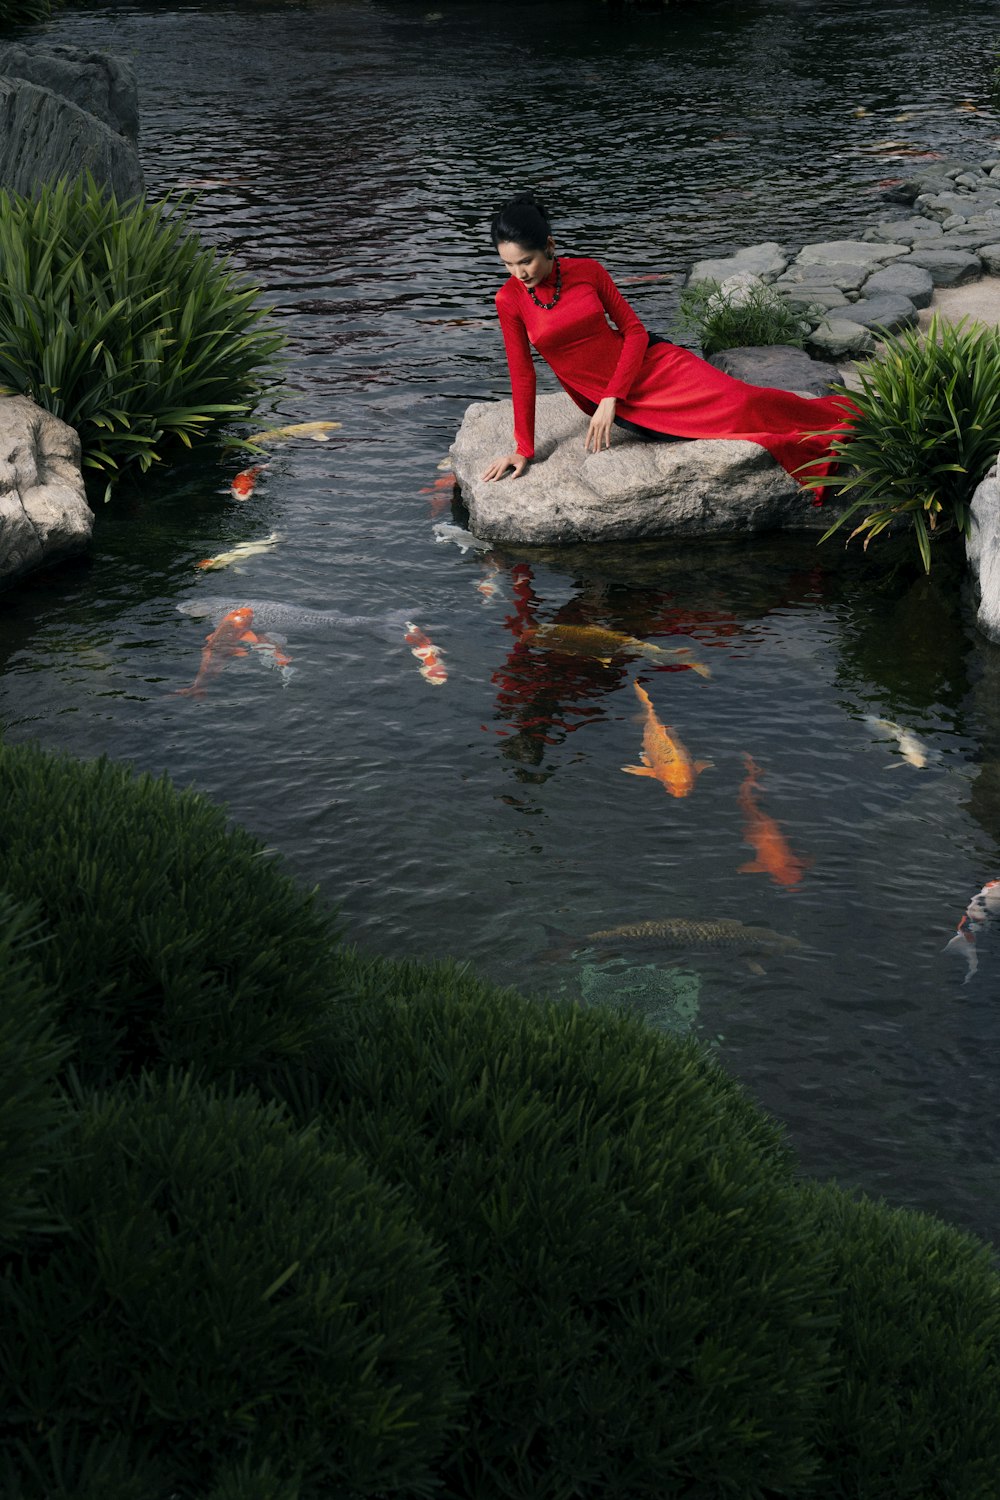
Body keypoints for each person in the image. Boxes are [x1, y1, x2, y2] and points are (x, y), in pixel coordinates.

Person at [481, 192, 857, 494]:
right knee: (738, 420)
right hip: (626, 398)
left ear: (549, 245)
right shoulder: (509, 300)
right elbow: (523, 375)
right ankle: (826, 441)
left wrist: (611, 397)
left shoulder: (588, 271)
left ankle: (850, 419)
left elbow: (635, 331)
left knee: (744, 397)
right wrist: (523, 450)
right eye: (508, 265)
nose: (518, 273)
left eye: (525, 261)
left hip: (649, 362)